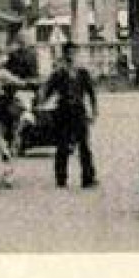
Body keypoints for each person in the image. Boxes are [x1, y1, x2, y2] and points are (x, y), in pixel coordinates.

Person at [39, 45, 98, 188]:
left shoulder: (83, 73)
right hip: (63, 112)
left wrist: (94, 110)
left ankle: (88, 178)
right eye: (69, 54)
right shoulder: (59, 73)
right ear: (65, 56)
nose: (71, 57)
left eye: (74, 53)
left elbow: (91, 92)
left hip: (79, 111)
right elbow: (47, 91)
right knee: (62, 146)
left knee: (84, 145)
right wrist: (41, 105)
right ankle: (61, 179)